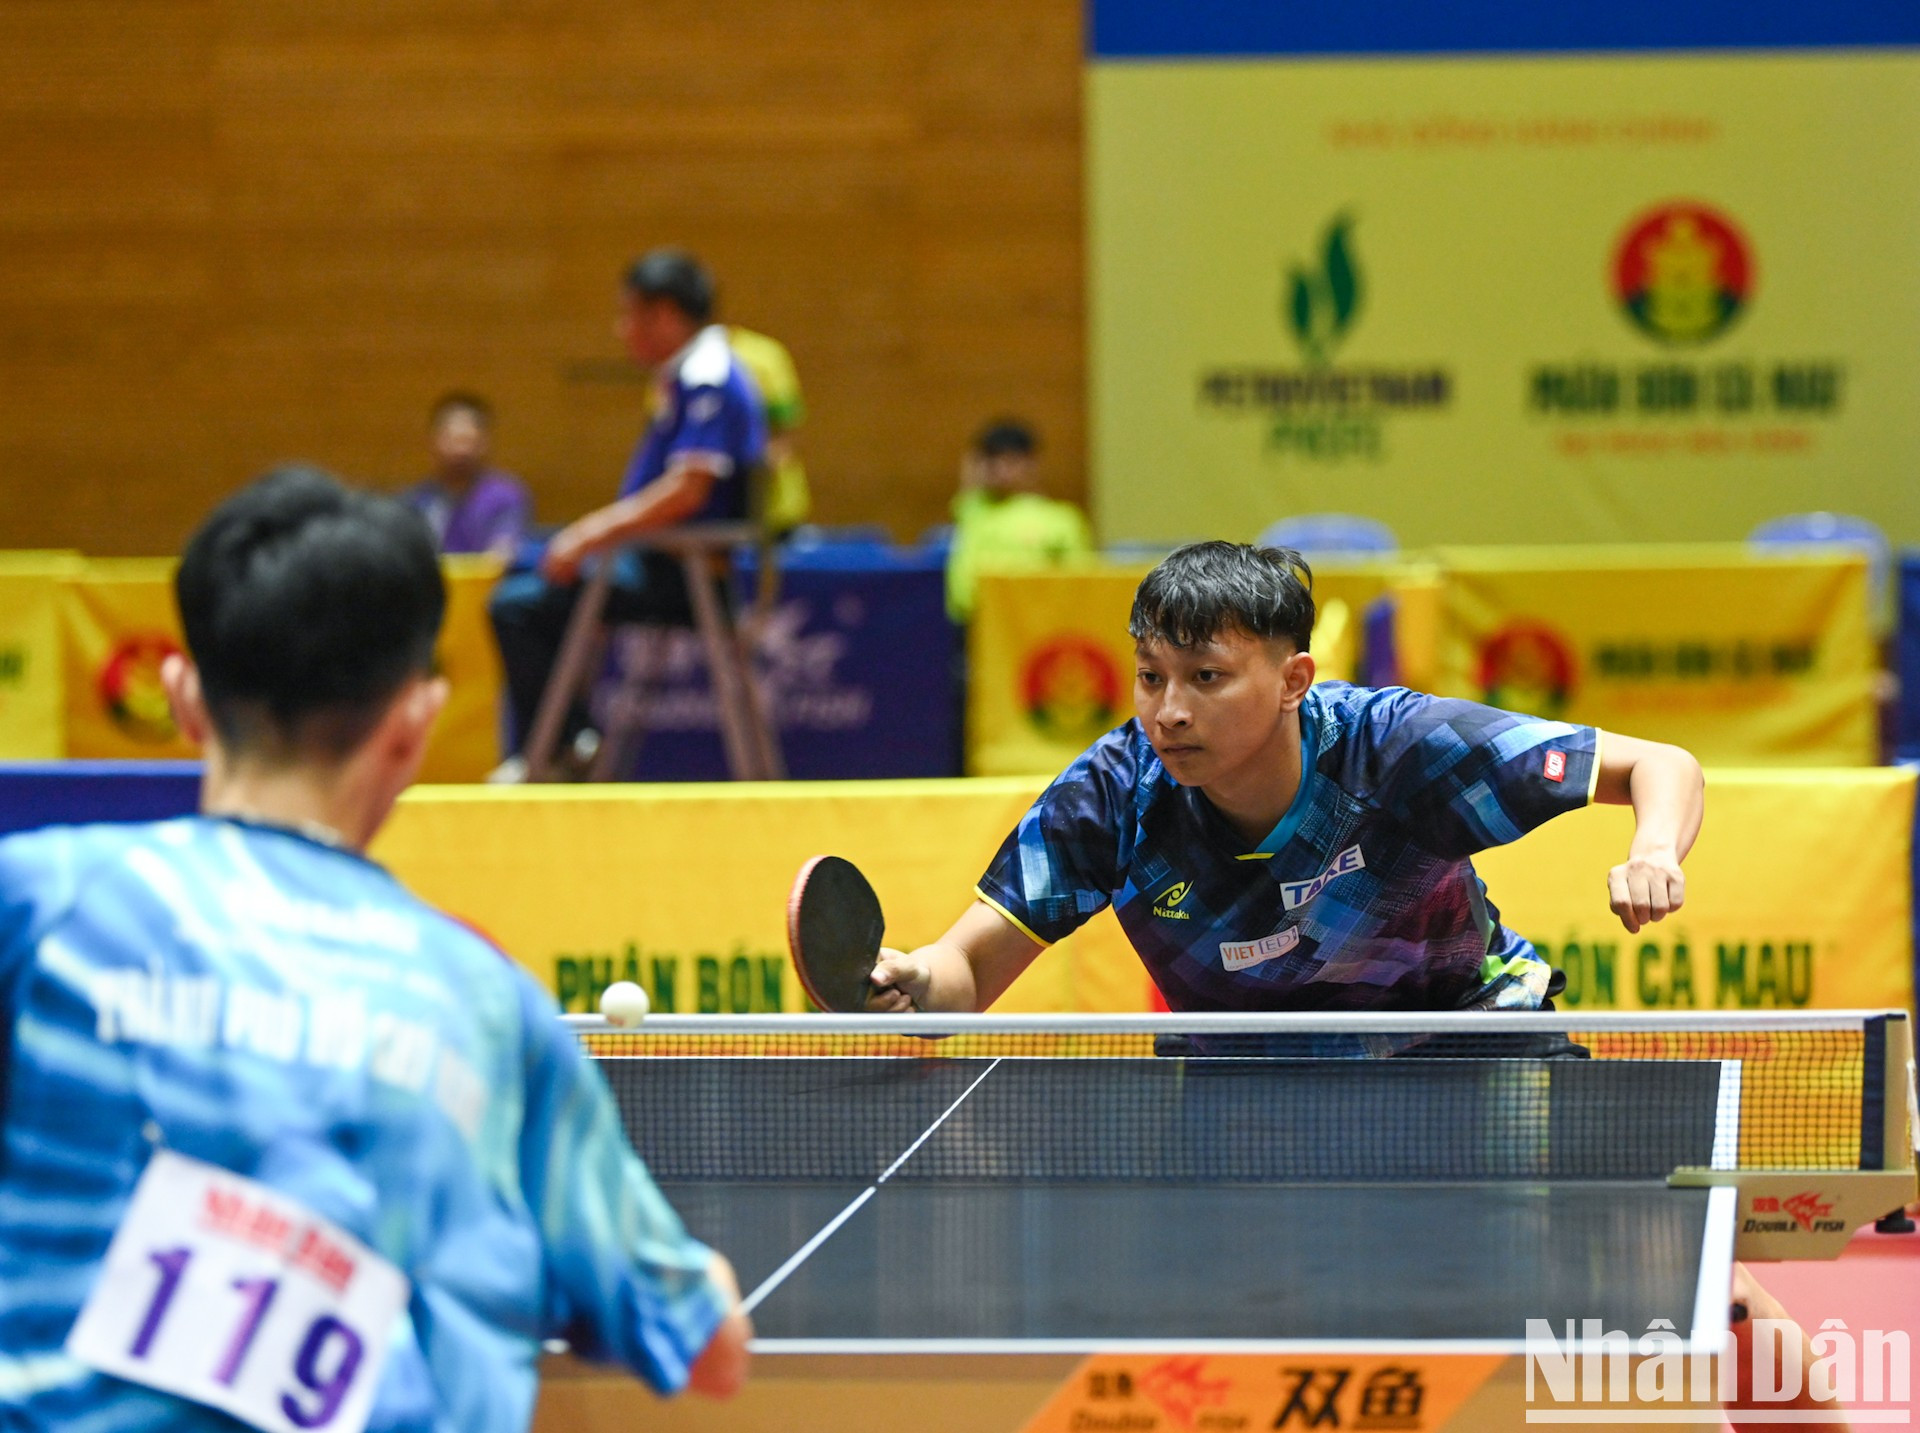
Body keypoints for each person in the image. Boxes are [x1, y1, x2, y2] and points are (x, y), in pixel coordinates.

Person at [0, 468, 750, 1431]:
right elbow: (709, 1349)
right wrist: (706, 1283)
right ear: (414, 726)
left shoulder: (46, 902)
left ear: (185, 699)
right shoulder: (489, 1008)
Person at [870, 541, 1704, 1022]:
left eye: (1206, 677)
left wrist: (1656, 849)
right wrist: (914, 980)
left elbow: (1661, 764)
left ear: (1294, 679)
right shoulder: (1115, 794)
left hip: (1467, 1037)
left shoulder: (1397, 748)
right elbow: (968, 973)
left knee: (1653, 1264)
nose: (1168, 711)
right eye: (1151, 676)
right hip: (1254, 1077)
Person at [488, 249, 767, 768]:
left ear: (662, 314)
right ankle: (575, 744)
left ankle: (568, 746)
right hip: (659, 562)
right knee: (534, 590)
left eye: (629, 314)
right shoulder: (685, 375)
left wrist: (591, 533)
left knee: (517, 608)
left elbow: (689, 490)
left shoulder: (709, 376)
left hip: (685, 576)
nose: (622, 330)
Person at [944, 419, 1094, 624]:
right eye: (993, 461)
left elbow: (1079, 584)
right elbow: (970, 471)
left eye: (1010, 461)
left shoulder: (1061, 520)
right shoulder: (974, 510)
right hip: (975, 624)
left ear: (1031, 463)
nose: (1000, 469)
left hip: (1031, 626)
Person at [404, 391, 533, 557]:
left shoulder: (507, 496)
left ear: (484, 443)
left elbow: (501, 554)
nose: (460, 450)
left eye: (467, 440)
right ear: (433, 441)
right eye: (452, 440)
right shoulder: (417, 501)